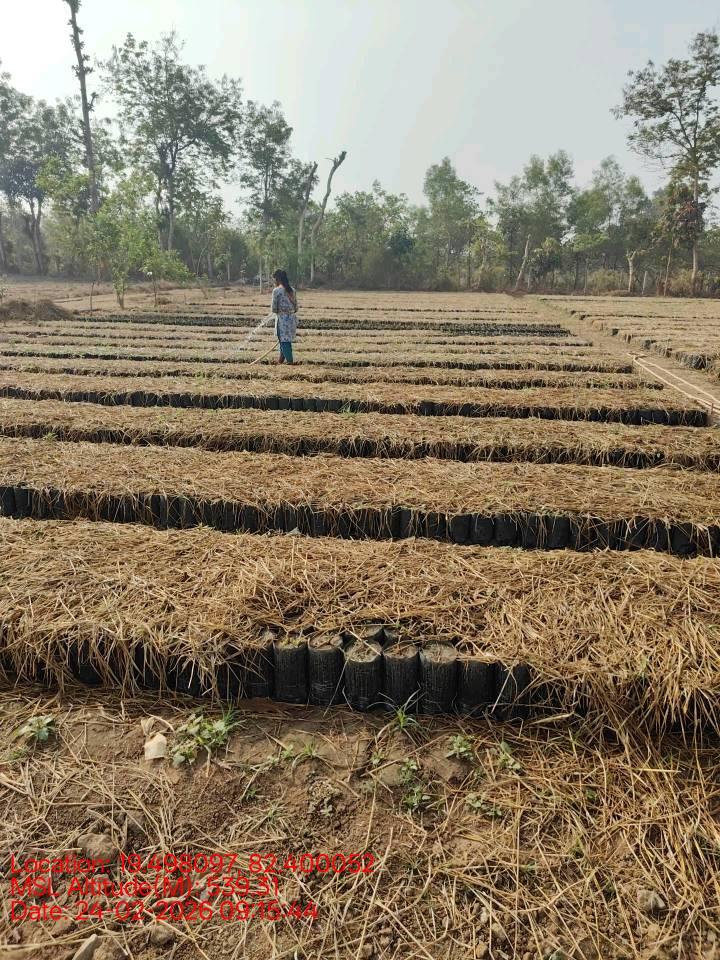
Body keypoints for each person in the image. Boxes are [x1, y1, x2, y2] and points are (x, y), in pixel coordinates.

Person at [271, 269, 298, 364]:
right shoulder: (292, 290)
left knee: (284, 342)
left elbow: (274, 309)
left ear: (277, 279)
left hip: (282, 320)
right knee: (286, 340)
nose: (274, 282)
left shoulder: (276, 291)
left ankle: (290, 362)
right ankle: (280, 361)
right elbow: (296, 308)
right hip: (291, 319)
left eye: (274, 279)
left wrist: (281, 311)